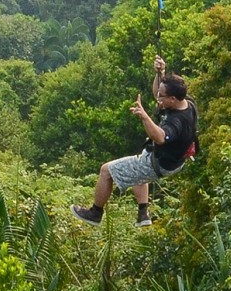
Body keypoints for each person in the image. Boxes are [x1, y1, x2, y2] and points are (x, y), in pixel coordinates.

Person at [71, 55, 198, 227]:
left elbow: (160, 137)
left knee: (106, 171)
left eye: (162, 97)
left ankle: (95, 213)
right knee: (138, 161)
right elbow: (158, 93)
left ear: (172, 99)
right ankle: (143, 213)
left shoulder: (176, 122)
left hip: (161, 164)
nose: (158, 99)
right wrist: (161, 73)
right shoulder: (187, 103)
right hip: (175, 161)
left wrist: (144, 116)